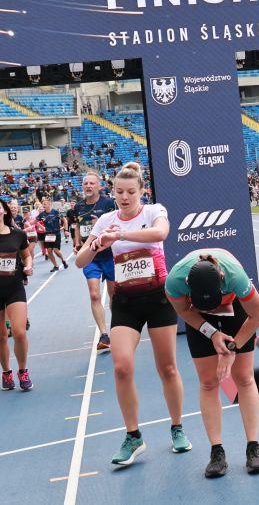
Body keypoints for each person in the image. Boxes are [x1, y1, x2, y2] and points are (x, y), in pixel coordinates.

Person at [75, 162, 191, 465]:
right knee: (122, 367)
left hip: (158, 298)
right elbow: (80, 260)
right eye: (119, 192)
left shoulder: (153, 212)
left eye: (130, 192)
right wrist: (97, 244)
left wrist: (121, 235)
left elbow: (161, 233)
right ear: (113, 192)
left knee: (167, 368)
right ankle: (133, 436)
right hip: (126, 300)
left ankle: (177, 427)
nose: (124, 197)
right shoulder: (106, 220)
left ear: (142, 191)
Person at [165, 249, 259, 477]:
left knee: (244, 377)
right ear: (188, 286)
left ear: (221, 280)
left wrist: (233, 347)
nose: (213, 308)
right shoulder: (174, 281)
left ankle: (253, 447)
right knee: (208, 382)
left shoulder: (235, 275)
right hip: (197, 315)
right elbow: (183, 311)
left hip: (236, 308)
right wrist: (211, 333)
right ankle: (216, 452)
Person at [72, 172, 118, 351]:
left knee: (114, 293)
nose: (88, 186)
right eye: (86, 183)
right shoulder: (79, 206)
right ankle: (104, 334)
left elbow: (118, 224)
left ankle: (117, 328)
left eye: (92, 183)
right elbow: (77, 226)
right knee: (94, 294)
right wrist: (77, 243)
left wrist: (100, 224)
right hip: (91, 256)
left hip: (110, 254)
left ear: (99, 186)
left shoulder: (109, 203)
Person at [0, 204, 33, 391]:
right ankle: (6, 373)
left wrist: (28, 265)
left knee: (19, 332)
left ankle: (23, 370)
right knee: (1, 336)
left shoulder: (18, 234)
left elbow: (26, 256)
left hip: (14, 288)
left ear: (4, 210)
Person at [39, 196, 68, 272]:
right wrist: (42, 227)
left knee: (56, 251)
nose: (43, 206)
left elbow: (65, 220)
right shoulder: (42, 214)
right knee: (49, 251)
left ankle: (63, 260)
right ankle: (56, 266)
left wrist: (65, 229)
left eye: (45, 204)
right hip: (48, 235)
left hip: (56, 233)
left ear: (49, 204)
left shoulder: (55, 212)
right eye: (43, 204)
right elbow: (35, 222)